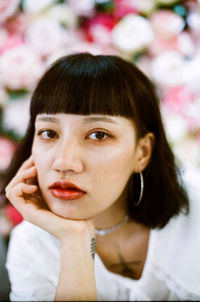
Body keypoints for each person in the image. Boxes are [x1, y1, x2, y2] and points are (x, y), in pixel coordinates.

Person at [3, 53, 200, 301]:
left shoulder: (195, 219)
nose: (64, 162)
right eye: (49, 133)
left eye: (98, 135)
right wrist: (75, 240)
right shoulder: (32, 246)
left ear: (142, 152)